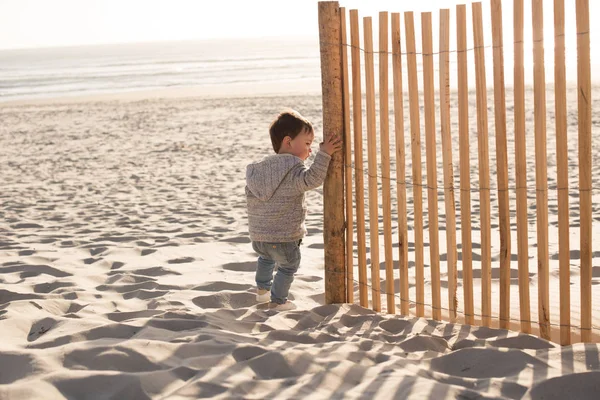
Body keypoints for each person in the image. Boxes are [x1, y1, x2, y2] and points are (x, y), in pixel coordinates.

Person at [245, 109, 342, 311]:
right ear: (288, 142)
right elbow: (312, 179)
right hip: (284, 238)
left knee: (265, 259)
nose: (310, 150)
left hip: (259, 237)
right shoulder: (292, 170)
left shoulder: (260, 171)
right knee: (288, 266)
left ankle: (262, 292)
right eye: (307, 144)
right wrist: (324, 154)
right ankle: (278, 301)